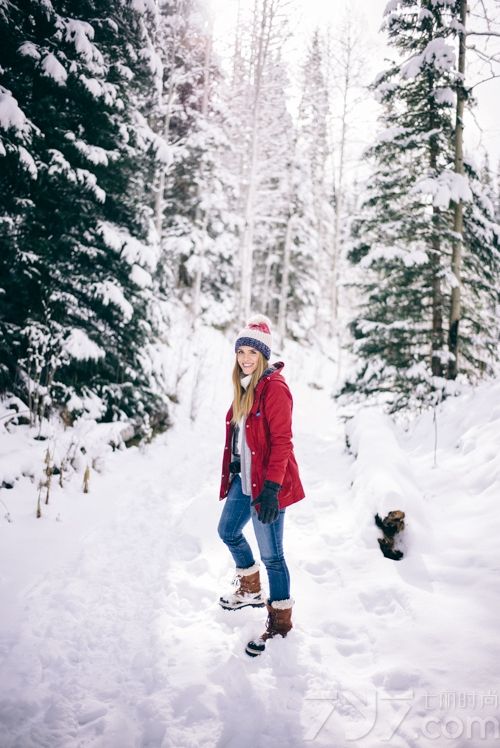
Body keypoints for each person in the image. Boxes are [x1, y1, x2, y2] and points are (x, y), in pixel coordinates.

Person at [217, 314, 305, 657]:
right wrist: (235, 464)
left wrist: (271, 489)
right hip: (244, 479)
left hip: (267, 485)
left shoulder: (274, 388)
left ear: (264, 355)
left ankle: (280, 625)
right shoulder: (244, 385)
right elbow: (244, 435)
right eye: (241, 351)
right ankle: (250, 589)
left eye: (253, 352)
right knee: (228, 531)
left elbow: (282, 442)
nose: (245, 358)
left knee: (273, 556)